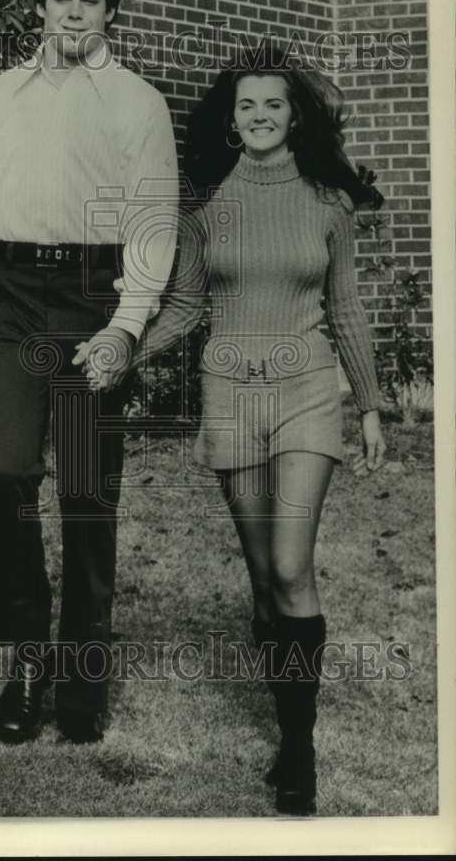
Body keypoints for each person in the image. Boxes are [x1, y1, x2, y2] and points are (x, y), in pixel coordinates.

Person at [78, 47, 386, 812]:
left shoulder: (328, 204)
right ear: (230, 119)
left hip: (306, 390)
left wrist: (370, 405)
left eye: (272, 104)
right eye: (246, 105)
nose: (258, 116)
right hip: (231, 396)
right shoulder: (205, 209)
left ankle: (298, 749)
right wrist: (124, 350)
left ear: (294, 116)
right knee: (262, 583)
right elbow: (183, 309)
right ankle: (286, 714)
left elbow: (345, 307)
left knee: (289, 565)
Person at [0, 0, 179, 744]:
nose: (73, 12)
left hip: (92, 298)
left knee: (86, 490)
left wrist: (126, 325)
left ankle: (84, 673)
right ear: (40, 6)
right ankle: (29, 657)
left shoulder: (136, 102)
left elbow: (152, 222)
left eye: (89, 0)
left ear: (110, 11)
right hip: (10, 299)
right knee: (7, 472)